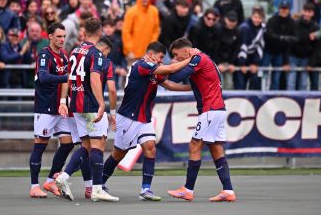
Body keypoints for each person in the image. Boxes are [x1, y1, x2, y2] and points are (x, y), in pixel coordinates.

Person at [101, 42, 199, 201]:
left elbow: (170, 85)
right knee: (119, 153)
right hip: (129, 117)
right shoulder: (142, 64)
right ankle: (99, 183)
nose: (161, 61)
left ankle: (146, 189)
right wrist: (192, 59)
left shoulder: (153, 68)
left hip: (144, 117)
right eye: (160, 57)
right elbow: (170, 69)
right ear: (152, 54)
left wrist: (194, 89)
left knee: (150, 147)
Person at [167, 38, 236, 202]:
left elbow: (175, 77)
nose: (176, 59)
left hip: (211, 110)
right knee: (215, 148)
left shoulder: (198, 59)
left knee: (194, 144)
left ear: (185, 51)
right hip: (217, 109)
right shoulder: (202, 58)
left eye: (176, 55)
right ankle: (228, 191)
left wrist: (166, 67)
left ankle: (188, 189)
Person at [58, 17, 119, 202]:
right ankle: (97, 189)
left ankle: (64, 176)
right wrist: (102, 104)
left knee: (85, 145)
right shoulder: (96, 54)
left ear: (84, 32)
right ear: (100, 32)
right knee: (98, 145)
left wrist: (63, 100)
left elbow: (67, 77)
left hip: (75, 104)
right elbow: (94, 79)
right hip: (90, 105)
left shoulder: (75, 50)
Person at [29, 22, 74, 198]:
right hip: (45, 107)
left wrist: (64, 101)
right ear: (50, 37)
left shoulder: (64, 55)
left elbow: (65, 82)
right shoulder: (44, 55)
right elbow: (43, 76)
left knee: (68, 143)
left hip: (59, 107)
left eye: (64, 36)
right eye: (59, 36)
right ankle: (34, 186)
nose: (62, 39)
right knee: (40, 145)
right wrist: (66, 76)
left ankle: (49, 182)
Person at [262, 1, 298, 90]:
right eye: (282, 8)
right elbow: (268, 35)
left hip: (280, 53)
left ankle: (273, 95)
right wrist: (281, 38)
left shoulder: (292, 22)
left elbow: (295, 38)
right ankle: (262, 92)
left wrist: (287, 39)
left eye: (286, 9)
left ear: (289, 10)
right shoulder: (272, 20)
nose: (284, 11)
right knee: (264, 74)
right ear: (279, 9)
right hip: (268, 51)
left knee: (276, 77)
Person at [122, 0, 160, 64]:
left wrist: (152, 48)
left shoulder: (154, 11)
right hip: (133, 54)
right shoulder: (131, 12)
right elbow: (126, 32)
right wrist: (129, 50)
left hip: (149, 54)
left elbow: (156, 30)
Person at [287, 3, 319, 91]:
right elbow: (290, 41)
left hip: (306, 58)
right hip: (293, 57)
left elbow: (316, 47)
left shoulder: (316, 27)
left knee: (303, 84)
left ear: (313, 13)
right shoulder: (295, 24)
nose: (307, 14)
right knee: (291, 82)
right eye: (305, 11)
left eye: (309, 12)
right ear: (302, 12)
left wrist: (311, 63)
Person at [234, 5, 266, 90]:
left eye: (259, 18)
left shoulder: (262, 29)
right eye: (255, 17)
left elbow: (260, 47)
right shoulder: (244, 28)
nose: (257, 20)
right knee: (240, 87)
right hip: (241, 61)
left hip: (253, 62)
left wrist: (255, 63)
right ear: (251, 16)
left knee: (255, 84)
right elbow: (241, 46)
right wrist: (242, 64)